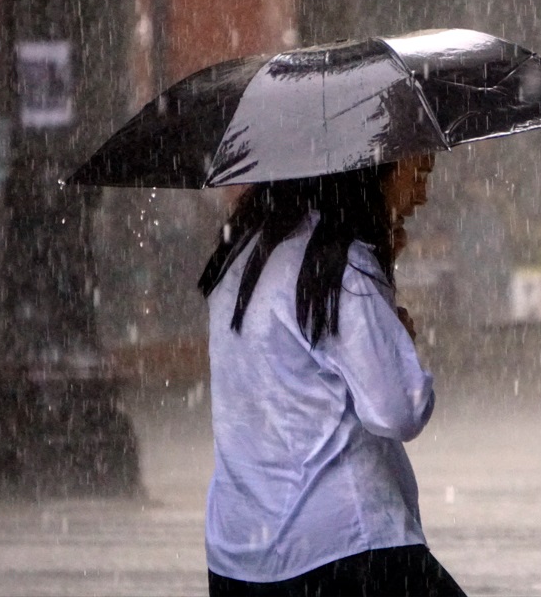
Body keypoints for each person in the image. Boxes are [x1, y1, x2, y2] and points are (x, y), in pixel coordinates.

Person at [197, 155, 466, 596]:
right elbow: (399, 410)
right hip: (345, 547)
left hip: (242, 553)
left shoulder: (242, 256)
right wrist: (396, 336)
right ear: (370, 171)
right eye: (418, 174)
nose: (422, 194)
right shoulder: (340, 265)